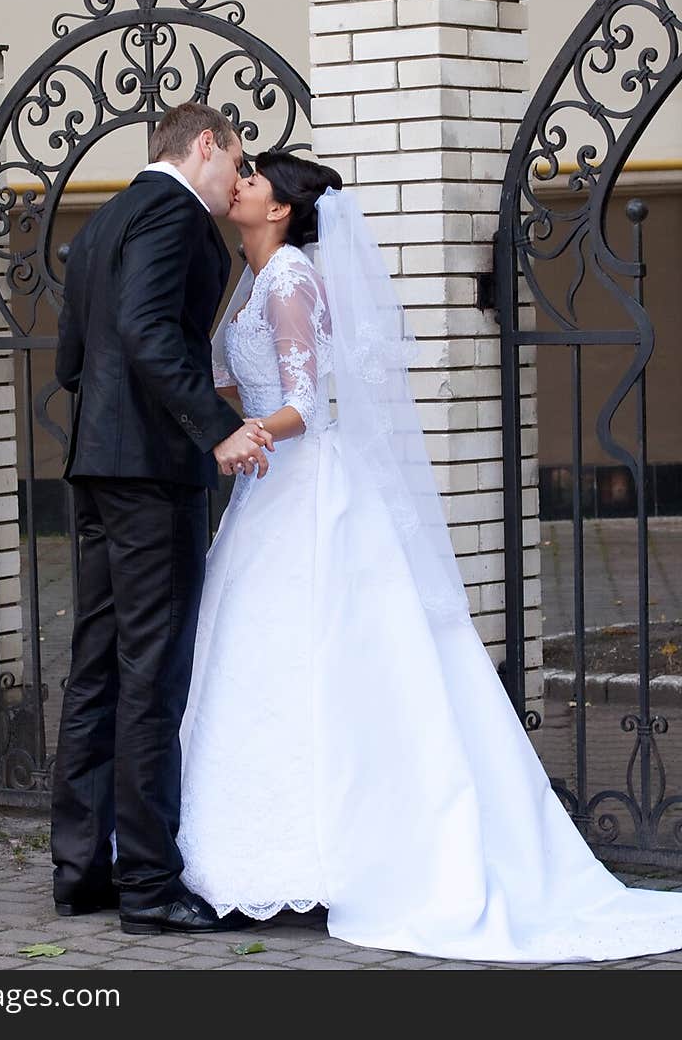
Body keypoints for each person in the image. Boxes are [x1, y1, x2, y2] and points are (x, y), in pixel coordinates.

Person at [176, 148, 682, 964]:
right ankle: (262, 848)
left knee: (316, 655)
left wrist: (246, 436)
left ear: (279, 210)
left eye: (255, 178)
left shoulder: (292, 277)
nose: (239, 183)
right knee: (263, 659)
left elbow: (304, 403)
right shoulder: (256, 277)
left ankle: (325, 851)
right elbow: (247, 378)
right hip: (268, 494)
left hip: (301, 489)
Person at [50, 101, 274, 936]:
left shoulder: (105, 216)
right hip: (151, 478)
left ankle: (81, 869)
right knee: (152, 676)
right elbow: (151, 334)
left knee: (97, 667)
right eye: (236, 158)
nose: (235, 180)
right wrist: (215, 428)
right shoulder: (177, 217)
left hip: (98, 466)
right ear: (205, 145)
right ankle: (148, 884)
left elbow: (73, 355)